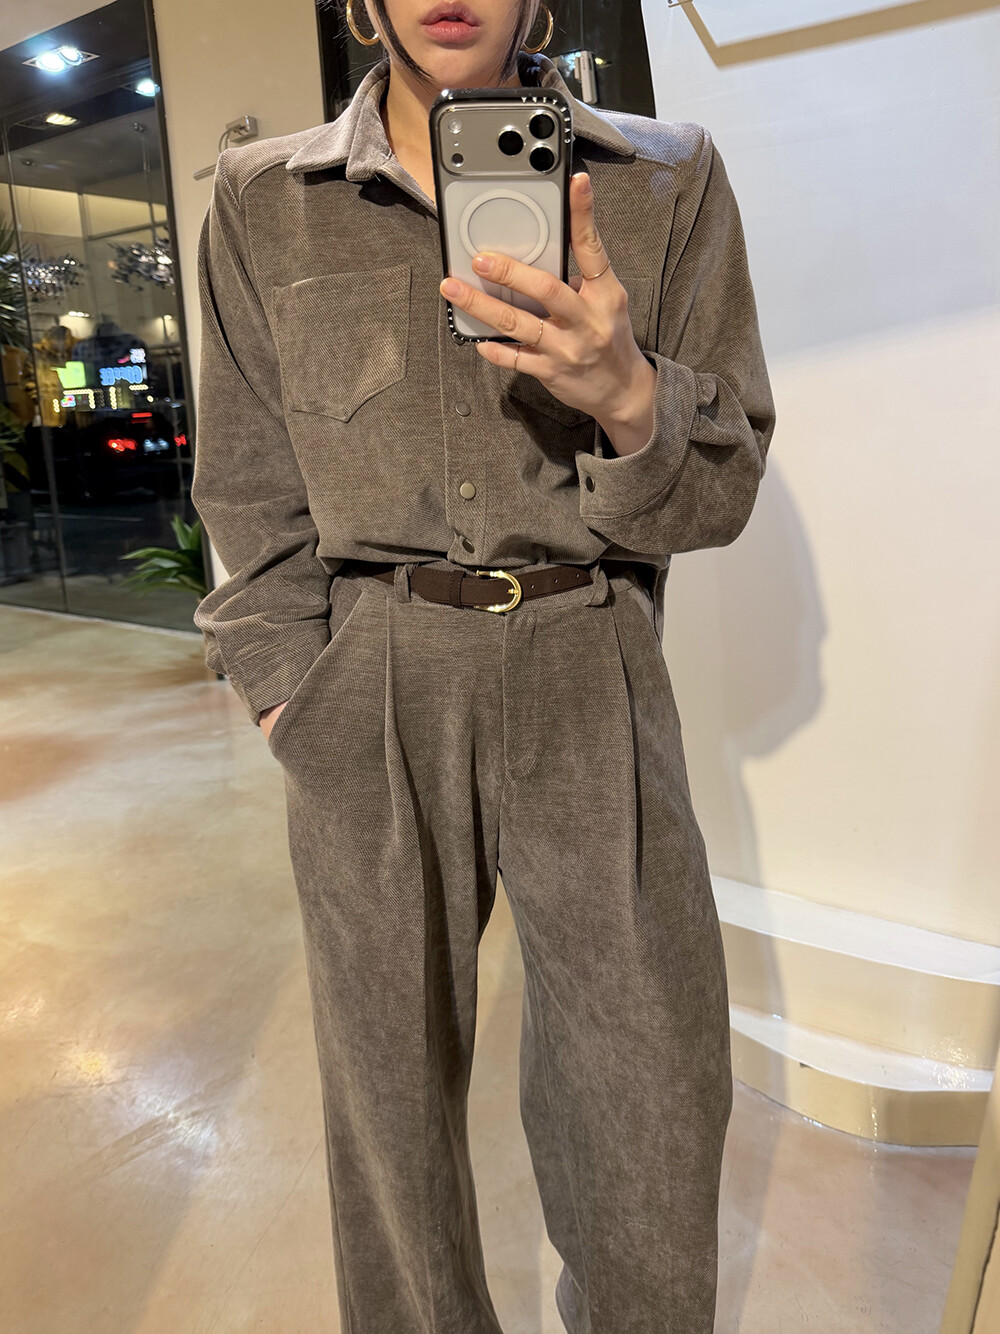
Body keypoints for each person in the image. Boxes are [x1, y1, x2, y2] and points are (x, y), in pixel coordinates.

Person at [190, 2, 777, 1330]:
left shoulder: (665, 178)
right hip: (373, 670)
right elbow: (248, 483)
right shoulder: (265, 200)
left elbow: (725, 484)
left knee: (651, 1088)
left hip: (592, 654)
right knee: (387, 1103)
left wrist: (630, 392)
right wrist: (292, 696)